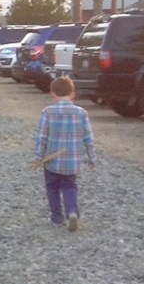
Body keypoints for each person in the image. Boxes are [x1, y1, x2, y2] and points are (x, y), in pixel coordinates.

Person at [31, 75, 96, 230]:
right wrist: (92, 158)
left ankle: (57, 217)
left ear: (52, 93)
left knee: (52, 187)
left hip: (51, 161)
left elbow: (42, 137)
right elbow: (88, 137)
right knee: (70, 186)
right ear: (73, 94)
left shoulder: (47, 112)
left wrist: (37, 157)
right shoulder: (81, 113)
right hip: (72, 162)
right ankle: (72, 212)